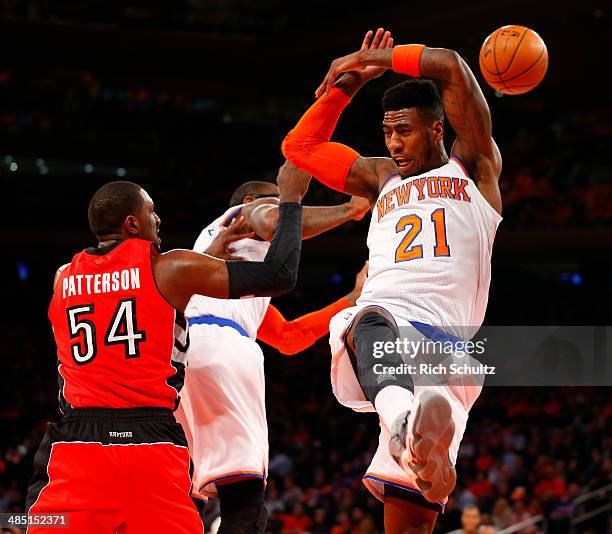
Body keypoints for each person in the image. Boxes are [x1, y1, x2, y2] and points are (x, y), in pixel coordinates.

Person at [282, 28, 502, 533]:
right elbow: (300, 146)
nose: (394, 143)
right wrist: (347, 86)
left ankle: (406, 424)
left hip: (442, 351)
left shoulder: (476, 166)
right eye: (387, 133)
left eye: (404, 130)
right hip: (394, 347)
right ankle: (407, 429)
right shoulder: (379, 177)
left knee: (359, 318)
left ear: (438, 130)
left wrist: (366, 54)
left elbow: (447, 63)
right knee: (407, 523)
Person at [26, 163, 310, 533]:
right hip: (151, 441)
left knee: (26, 522)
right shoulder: (172, 268)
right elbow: (280, 276)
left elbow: (119, 291)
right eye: (151, 212)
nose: (158, 219)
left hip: (77, 444)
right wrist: (291, 199)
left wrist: (206, 254)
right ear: (132, 224)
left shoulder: (62, 276)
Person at [175, 173, 370, 533]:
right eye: (273, 200)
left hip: (181, 354)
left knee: (185, 489)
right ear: (249, 202)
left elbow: (288, 337)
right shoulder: (239, 217)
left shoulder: (233, 284)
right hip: (220, 350)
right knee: (245, 498)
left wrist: (351, 299)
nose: (283, 205)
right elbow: (281, 220)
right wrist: (351, 209)